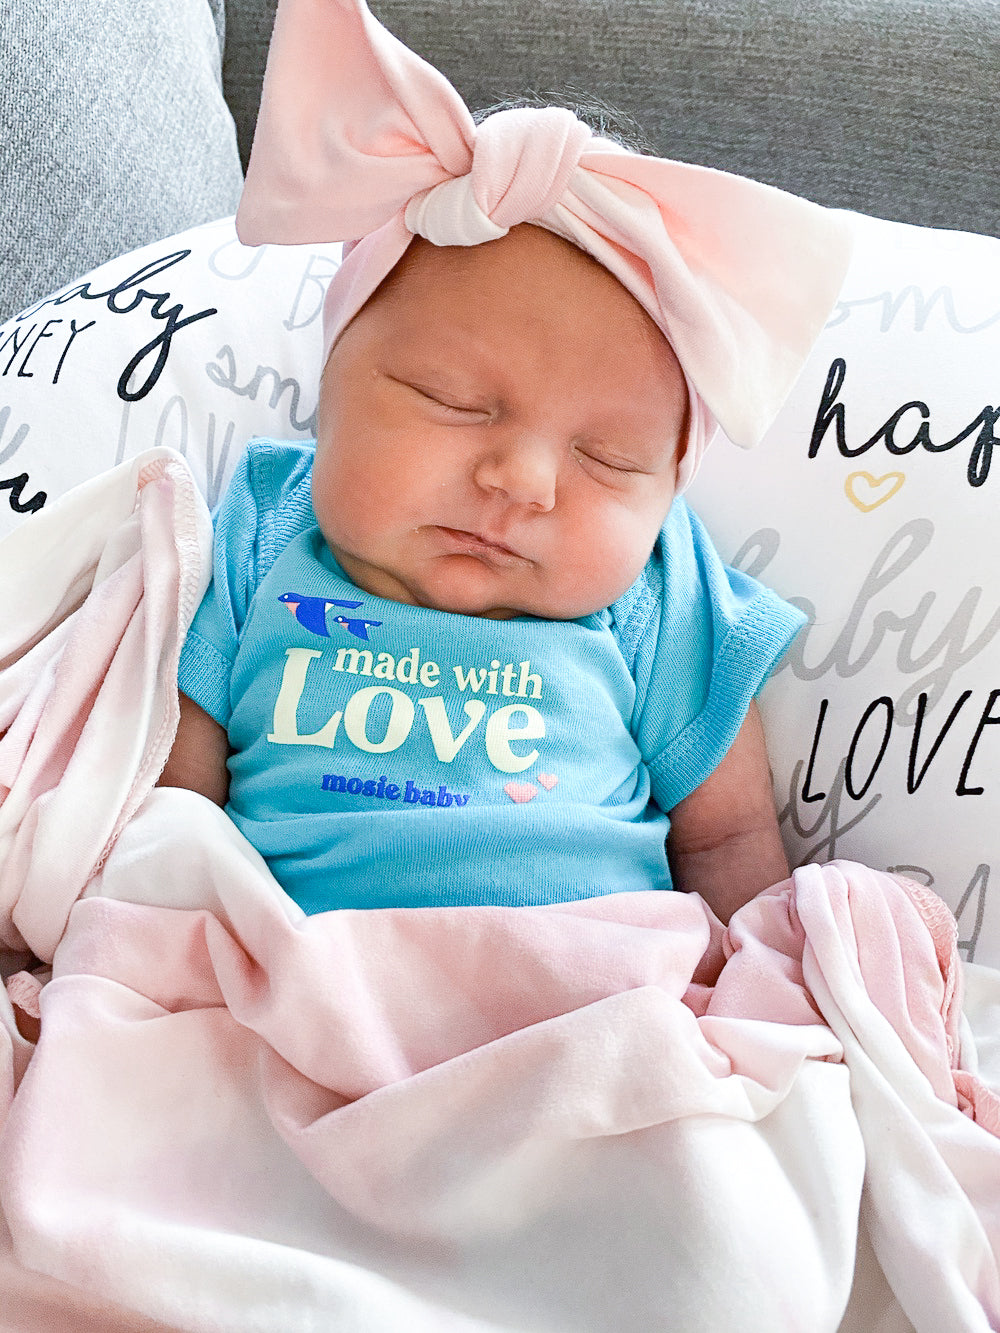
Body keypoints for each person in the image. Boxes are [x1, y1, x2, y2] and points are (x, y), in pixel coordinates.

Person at [159, 0, 853, 924]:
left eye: (607, 459)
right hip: (303, 978)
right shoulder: (252, 529)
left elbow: (727, 843)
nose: (522, 480)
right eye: (451, 401)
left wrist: (766, 994)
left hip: (585, 993)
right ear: (332, 388)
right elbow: (174, 821)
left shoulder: (664, 587)